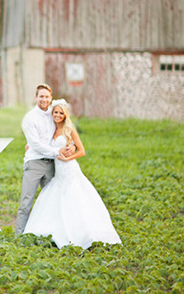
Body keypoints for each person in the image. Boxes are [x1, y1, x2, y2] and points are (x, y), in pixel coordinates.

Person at [23, 99, 122, 249]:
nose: (57, 115)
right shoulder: (50, 129)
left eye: (61, 113)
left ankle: (81, 233)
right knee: (55, 198)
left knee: (75, 198)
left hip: (69, 169)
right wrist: (31, 147)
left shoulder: (69, 129)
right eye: (55, 112)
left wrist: (69, 156)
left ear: (65, 115)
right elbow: (41, 143)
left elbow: (82, 151)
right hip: (58, 172)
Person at [15, 84, 74, 236]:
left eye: (47, 96)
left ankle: (52, 234)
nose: (44, 99)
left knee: (52, 201)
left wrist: (72, 145)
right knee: (26, 202)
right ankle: (19, 236)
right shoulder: (29, 118)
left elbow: (65, 130)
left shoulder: (54, 114)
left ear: (51, 98)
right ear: (36, 98)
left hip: (53, 164)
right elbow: (35, 144)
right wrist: (57, 151)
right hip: (34, 163)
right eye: (41, 96)